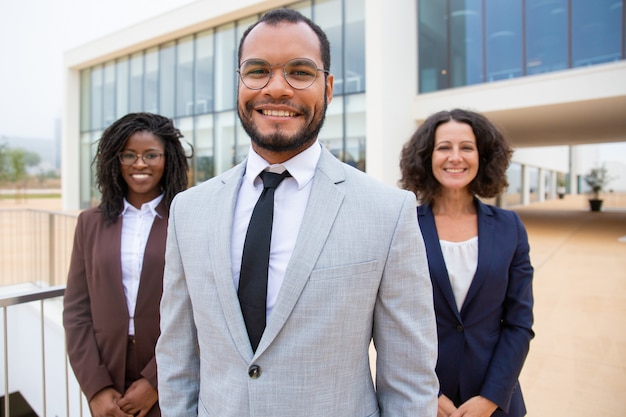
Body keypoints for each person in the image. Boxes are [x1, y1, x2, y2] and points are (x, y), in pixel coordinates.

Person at [156, 8, 438, 417]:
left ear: (329, 87)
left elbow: (410, 381)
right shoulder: (189, 210)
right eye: (257, 71)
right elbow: (177, 357)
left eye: (300, 72)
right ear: (239, 83)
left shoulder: (387, 211)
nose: (277, 88)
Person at [399, 108, 535, 417]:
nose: (455, 157)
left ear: (483, 156)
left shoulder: (510, 227)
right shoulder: (403, 225)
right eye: (444, 147)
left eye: (467, 147)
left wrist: (490, 398)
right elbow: (392, 324)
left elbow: (518, 323)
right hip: (423, 399)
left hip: (495, 397)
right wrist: (428, 392)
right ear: (426, 156)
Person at [63, 112, 190, 417]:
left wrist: (155, 381)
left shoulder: (186, 219)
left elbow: (198, 310)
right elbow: (77, 310)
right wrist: (95, 388)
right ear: (114, 160)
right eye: (129, 155)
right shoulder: (89, 223)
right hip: (106, 372)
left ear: (168, 158)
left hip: (169, 372)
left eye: (151, 155)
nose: (140, 163)